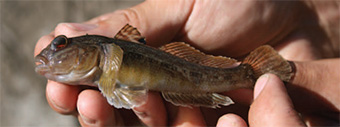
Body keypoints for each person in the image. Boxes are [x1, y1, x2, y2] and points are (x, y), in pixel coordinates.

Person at [34, 0, 339, 126]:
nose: (50, 57)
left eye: (60, 47)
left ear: (91, 48)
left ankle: (251, 74)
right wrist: (309, 14)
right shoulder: (104, 57)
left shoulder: (107, 49)